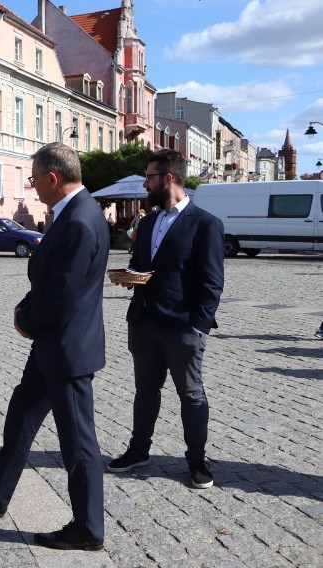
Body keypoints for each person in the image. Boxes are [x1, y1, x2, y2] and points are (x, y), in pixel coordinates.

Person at [0, 142, 108, 551]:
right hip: (53, 345)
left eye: (34, 178)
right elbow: (52, 283)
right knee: (20, 416)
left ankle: (88, 528)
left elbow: (63, 293)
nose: (32, 185)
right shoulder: (74, 213)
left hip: (67, 349)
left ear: (53, 179)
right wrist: (29, 309)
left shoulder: (79, 220)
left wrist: (25, 317)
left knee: (78, 443)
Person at [107, 149, 224, 490]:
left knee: (191, 395)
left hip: (183, 327)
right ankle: (138, 450)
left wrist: (198, 327)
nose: (146, 183)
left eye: (150, 177)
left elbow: (212, 282)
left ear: (169, 178)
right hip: (143, 322)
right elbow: (142, 265)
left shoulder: (206, 224)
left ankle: (196, 460)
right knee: (145, 390)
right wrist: (129, 276)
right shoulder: (148, 222)